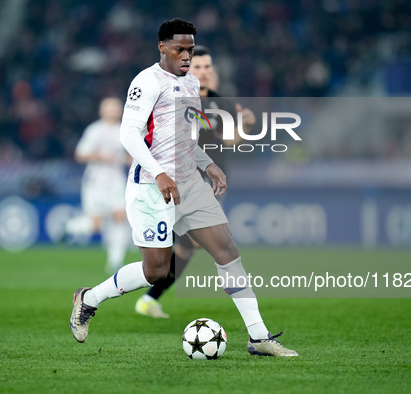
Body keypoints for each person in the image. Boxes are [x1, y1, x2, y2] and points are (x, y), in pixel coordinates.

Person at [69, 18, 298, 357]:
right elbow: (129, 134)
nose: (187, 56)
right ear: (162, 47)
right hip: (151, 186)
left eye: (191, 49)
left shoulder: (191, 84)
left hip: (190, 182)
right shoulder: (146, 82)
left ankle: (258, 336)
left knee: (226, 250)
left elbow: (187, 136)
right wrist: (160, 173)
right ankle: (89, 298)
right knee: (156, 271)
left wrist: (208, 164)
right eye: (180, 49)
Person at [134, 45, 256, 318]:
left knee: (189, 247)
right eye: (198, 66)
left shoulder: (219, 102)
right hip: (179, 180)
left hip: (208, 181)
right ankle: (145, 293)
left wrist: (245, 126)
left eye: (208, 67)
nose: (204, 71)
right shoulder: (176, 97)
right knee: (185, 247)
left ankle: (148, 298)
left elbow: (229, 141)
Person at [61, 97, 131, 273]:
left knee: (119, 217)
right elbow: (80, 154)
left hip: (116, 180)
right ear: (102, 110)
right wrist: (101, 157)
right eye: (110, 108)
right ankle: (69, 228)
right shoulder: (94, 130)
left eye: (116, 108)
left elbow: (128, 155)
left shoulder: (125, 130)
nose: (114, 111)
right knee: (96, 224)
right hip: (96, 182)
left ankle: (115, 262)